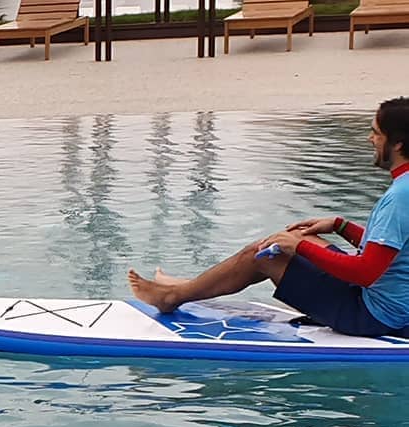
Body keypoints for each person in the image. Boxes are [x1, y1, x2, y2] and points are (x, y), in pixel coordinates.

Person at [128, 98, 409, 339]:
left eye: (376, 133)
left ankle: (172, 297)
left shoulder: (399, 197)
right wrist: (340, 226)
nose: (370, 139)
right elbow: (394, 250)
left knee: (264, 255)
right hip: (388, 301)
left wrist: (296, 248)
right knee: (301, 236)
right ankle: (190, 286)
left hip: (372, 315)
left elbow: (367, 272)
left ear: (397, 144)